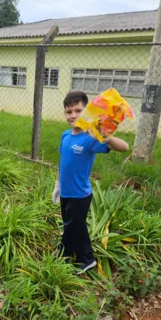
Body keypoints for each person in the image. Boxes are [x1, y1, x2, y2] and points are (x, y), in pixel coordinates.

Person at [52, 91, 129, 274]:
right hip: (66, 192)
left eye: (78, 110)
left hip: (79, 194)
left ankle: (87, 259)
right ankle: (67, 251)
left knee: (75, 226)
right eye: (69, 111)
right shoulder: (65, 136)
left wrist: (106, 135)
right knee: (69, 224)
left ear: (87, 112)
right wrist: (57, 184)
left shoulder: (91, 138)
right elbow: (62, 162)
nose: (73, 115)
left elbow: (124, 148)